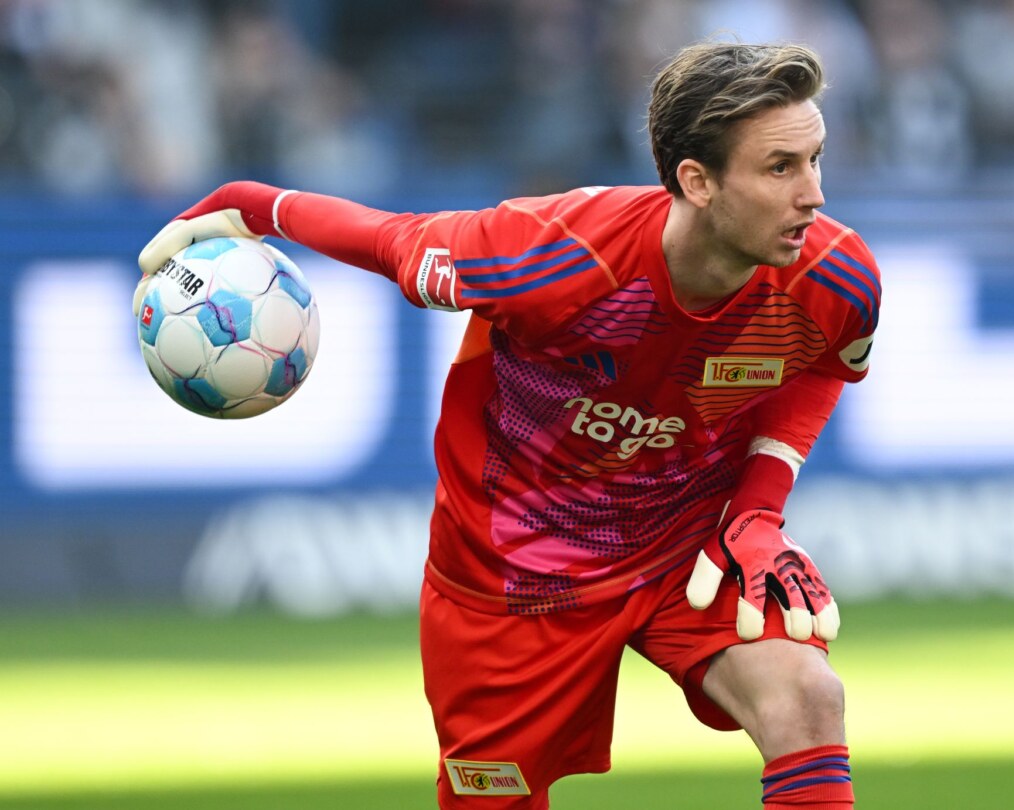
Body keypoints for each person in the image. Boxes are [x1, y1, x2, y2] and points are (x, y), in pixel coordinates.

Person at [135, 41, 879, 810]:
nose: (815, 195)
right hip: (514, 575)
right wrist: (251, 203)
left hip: (682, 549)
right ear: (697, 181)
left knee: (807, 697)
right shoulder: (551, 257)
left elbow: (826, 363)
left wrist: (757, 510)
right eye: (781, 168)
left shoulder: (837, 277)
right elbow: (393, 241)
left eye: (815, 160)